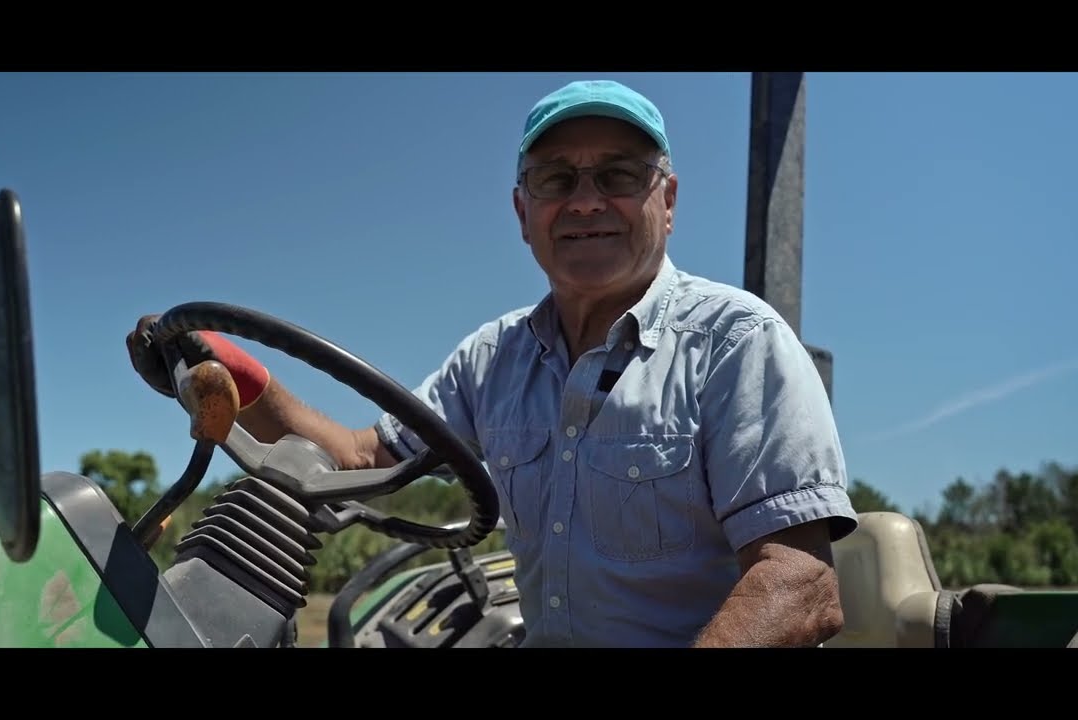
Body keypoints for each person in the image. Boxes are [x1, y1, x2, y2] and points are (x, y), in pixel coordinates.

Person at [127, 79, 859, 648]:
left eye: (619, 176)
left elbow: (798, 585)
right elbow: (355, 459)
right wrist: (228, 367)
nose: (585, 201)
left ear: (666, 201)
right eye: (555, 180)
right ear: (521, 212)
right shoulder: (494, 357)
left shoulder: (736, 343)